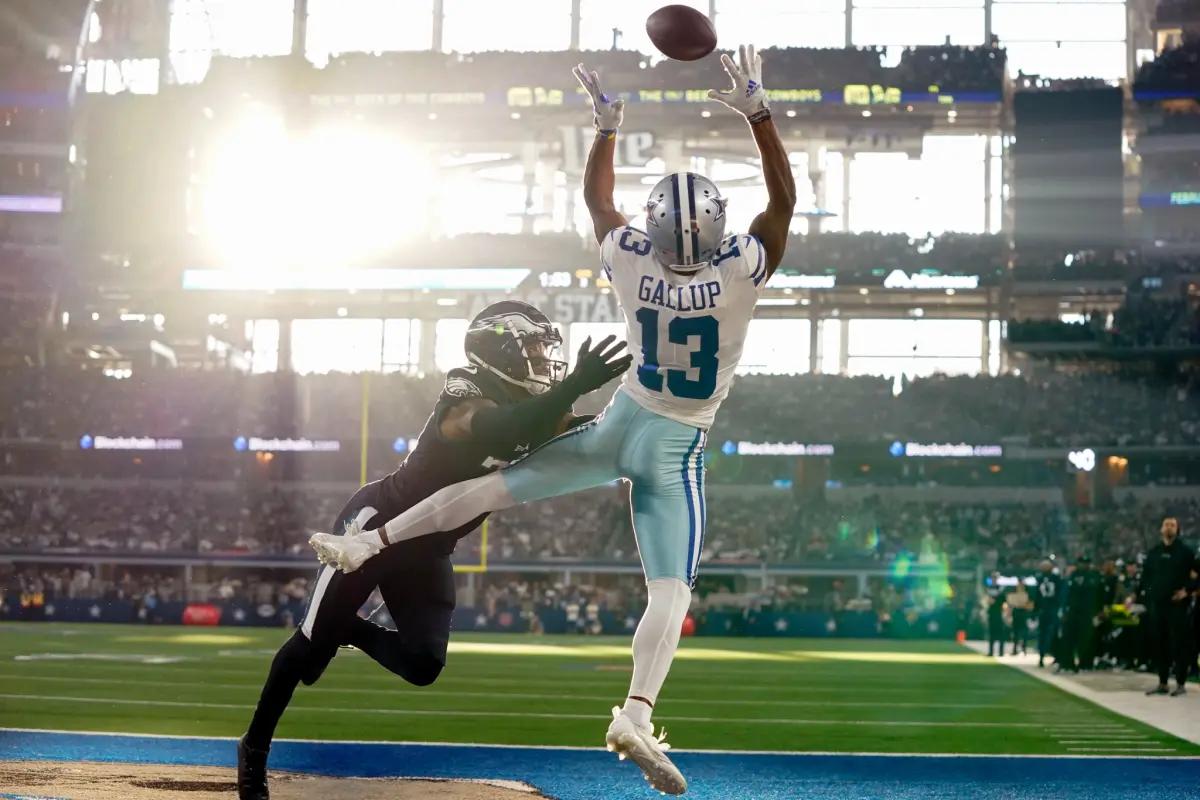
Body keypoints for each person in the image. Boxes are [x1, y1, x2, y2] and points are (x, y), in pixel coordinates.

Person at [309, 44, 796, 795]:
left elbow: (600, 206)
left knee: (487, 488)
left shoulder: (632, 258)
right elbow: (783, 205)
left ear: (657, 229)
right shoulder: (739, 269)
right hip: (674, 448)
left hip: (618, 423)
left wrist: (605, 128)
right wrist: (759, 112)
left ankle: (367, 541)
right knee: (671, 590)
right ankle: (635, 712)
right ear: (717, 225)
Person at [235, 301, 630, 800]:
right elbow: (499, 428)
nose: (542, 359)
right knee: (308, 651)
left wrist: (645, 423)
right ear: (496, 350)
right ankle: (254, 750)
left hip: (429, 548)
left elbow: (582, 430)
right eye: (531, 347)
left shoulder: (532, 409)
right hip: (374, 531)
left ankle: (348, 626)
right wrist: (574, 384)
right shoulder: (465, 395)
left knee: (422, 665)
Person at [1141, 516, 1196, 697]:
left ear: (1177, 529)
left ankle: (1180, 683)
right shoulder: (1154, 552)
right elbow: (1145, 577)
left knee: (1179, 644)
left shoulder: (1186, 552)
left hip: (1177, 606)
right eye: (1166, 524)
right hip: (1158, 605)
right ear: (1161, 529)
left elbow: (1197, 576)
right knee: (1160, 644)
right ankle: (1162, 683)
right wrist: (1143, 595)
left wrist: (1187, 591)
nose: (1169, 528)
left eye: (1172, 525)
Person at [1034, 558, 1063, 668]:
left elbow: (1060, 594)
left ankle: (1053, 655)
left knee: (1051, 634)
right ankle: (1043, 656)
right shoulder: (1042, 579)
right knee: (1045, 634)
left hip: (1050, 609)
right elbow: (1037, 595)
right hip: (1047, 609)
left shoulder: (1054, 579)